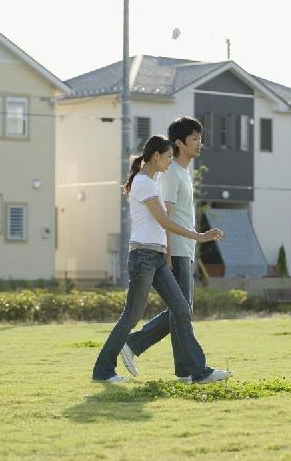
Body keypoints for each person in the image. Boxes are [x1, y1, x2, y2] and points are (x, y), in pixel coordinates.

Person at [91, 134, 233, 384]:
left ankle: (198, 372)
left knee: (181, 309)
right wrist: (198, 236)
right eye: (168, 156)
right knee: (132, 316)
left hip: (155, 256)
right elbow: (164, 221)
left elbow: (161, 226)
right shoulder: (144, 183)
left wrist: (165, 252)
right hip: (143, 256)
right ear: (156, 155)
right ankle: (103, 370)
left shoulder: (151, 181)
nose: (170, 161)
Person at [121, 117, 209, 383]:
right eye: (195, 138)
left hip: (185, 248)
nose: (200, 143)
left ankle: (184, 370)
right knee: (181, 310)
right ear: (179, 143)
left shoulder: (182, 172)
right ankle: (136, 345)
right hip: (177, 250)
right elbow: (166, 217)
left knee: (181, 311)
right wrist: (168, 254)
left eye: (200, 138)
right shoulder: (171, 174)